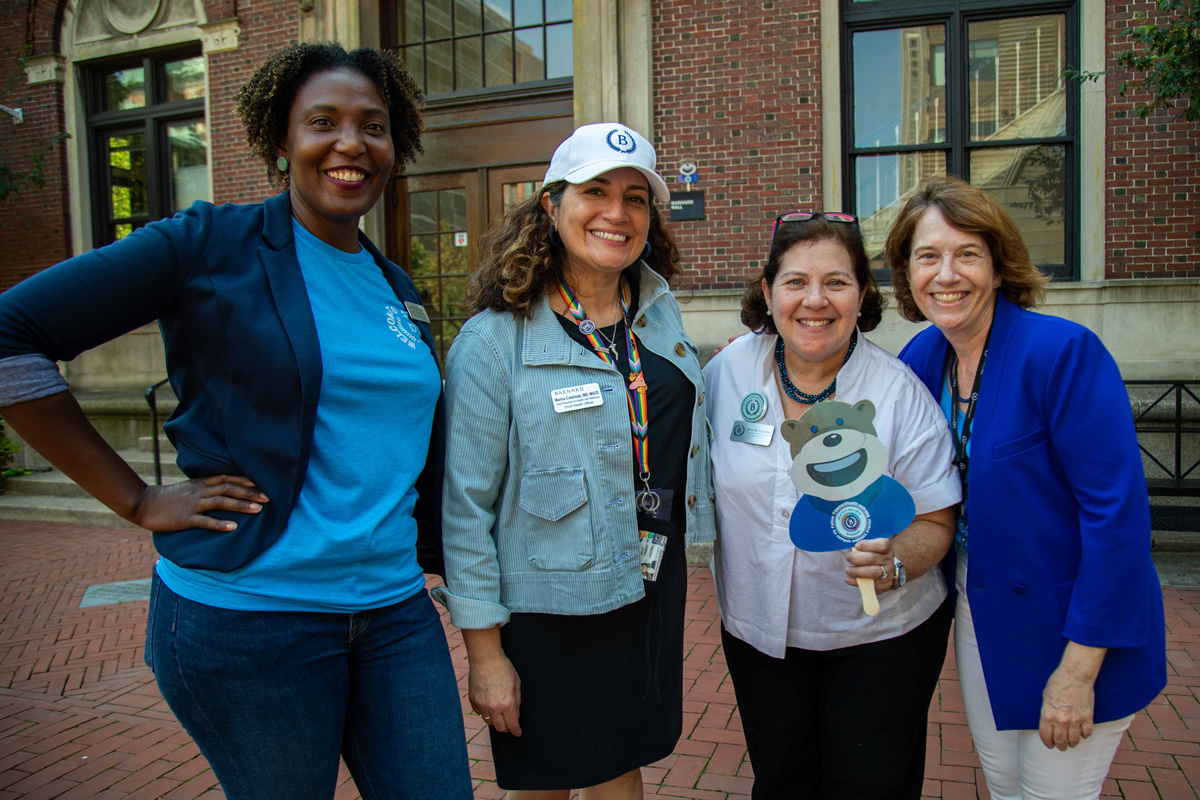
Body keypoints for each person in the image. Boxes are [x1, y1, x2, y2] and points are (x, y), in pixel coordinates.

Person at [0, 43, 472, 800]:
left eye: (373, 126)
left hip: (391, 613)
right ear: (281, 141)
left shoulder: (394, 286)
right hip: (252, 622)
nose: (351, 143)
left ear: (396, 145)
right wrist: (138, 499)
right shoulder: (207, 244)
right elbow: (10, 336)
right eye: (323, 122)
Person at [434, 122, 715, 799]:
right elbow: (466, 508)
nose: (617, 213)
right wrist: (485, 654)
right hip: (547, 609)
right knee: (550, 775)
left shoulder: (660, 316)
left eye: (636, 197)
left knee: (623, 759)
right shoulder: (493, 340)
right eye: (595, 191)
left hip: (645, 585)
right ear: (551, 207)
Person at [889, 175, 1166, 800]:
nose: (947, 274)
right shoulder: (922, 357)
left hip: (1076, 624)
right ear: (907, 274)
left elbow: (1116, 520)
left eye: (967, 254)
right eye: (927, 256)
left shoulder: (1063, 353)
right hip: (982, 610)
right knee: (1005, 783)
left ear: (997, 263)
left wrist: (1078, 669)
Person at [703, 212, 961, 799]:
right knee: (782, 780)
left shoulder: (897, 394)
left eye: (836, 282)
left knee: (869, 785)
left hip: (878, 638)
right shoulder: (725, 374)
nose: (814, 301)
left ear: (862, 295)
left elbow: (936, 518)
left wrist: (896, 563)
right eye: (795, 282)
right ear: (767, 293)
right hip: (760, 634)